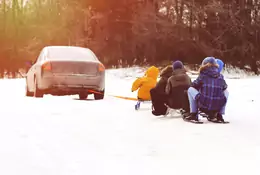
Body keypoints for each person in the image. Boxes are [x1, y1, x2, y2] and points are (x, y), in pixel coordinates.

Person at [186, 57, 228, 122]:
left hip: (203, 105)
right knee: (226, 92)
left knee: (190, 89)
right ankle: (219, 115)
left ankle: (194, 114)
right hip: (217, 106)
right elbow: (224, 87)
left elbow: (193, 85)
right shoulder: (220, 76)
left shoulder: (203, 75)